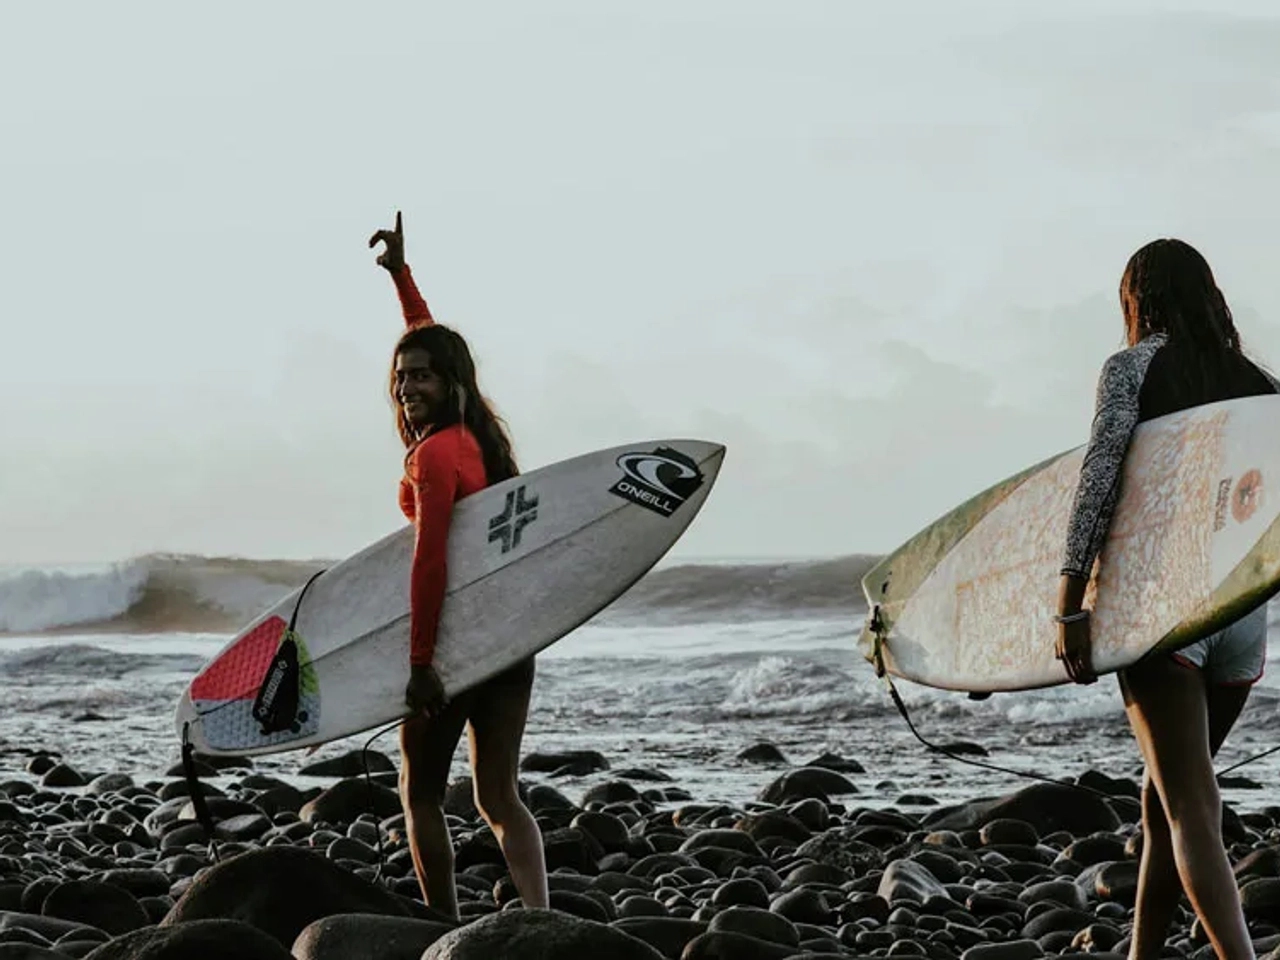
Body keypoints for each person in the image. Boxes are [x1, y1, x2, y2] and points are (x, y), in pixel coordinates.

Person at [1056, 238, 1277, 960]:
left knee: (1190, 808)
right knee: (1165, 798)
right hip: (1242, 617)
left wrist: (1069, 601)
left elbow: (1100, 478)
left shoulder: (1130, 367)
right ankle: (1143, 952)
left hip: (1165, 611)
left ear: (1136, 299)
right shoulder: (1257, 384)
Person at [369, 212, 548, 918]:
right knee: (498, 794)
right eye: (401, 376)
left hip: (454, 645)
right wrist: (402, 279)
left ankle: (442, 924)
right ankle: (538, 917)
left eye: (421, 378)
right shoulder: (477, 439)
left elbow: (431, 557)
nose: (408, 385)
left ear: (449, 383)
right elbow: (434, 344)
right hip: (509, 640)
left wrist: (421, 663)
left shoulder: (433, 456)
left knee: (418, 793)